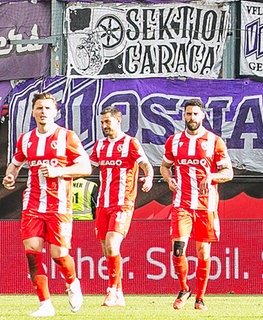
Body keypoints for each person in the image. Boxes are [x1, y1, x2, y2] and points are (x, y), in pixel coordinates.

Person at [2, 92, 91, 316]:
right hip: (32, 204)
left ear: (55, 112)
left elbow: (86, 168)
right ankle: (45, 304)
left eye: (47, 108)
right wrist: (10, 176)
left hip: (59, 205)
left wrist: (58, 171)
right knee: (32, 252)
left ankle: (72, 283)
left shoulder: (67, 137)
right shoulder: (26, 139)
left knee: (59, 254)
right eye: (39, 108)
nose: (43, 112)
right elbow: (15, 164)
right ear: (33, 112)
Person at [160, 98, 233, 311]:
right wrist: (169, 179)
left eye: (195, 114)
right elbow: (165, 166)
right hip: (182, 203)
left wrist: (211, 176)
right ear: (184, 115)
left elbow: (228, 173)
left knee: (203, 252)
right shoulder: (173, 141)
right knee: (178, 249)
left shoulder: (214, 141)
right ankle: (184, 289)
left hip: (206, 206)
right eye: (188, 114)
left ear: (203, 116)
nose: (191, 118)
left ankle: (200, 298)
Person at [90, 106, 154, 306]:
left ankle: (110, 291)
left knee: (112, 244)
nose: (104, 126)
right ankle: (118, 292)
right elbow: (88, 165)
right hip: (102, 203)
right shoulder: (100, 145)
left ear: (118, 121)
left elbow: (145, 165)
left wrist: (149, 177)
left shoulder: (130, 143)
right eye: (102, 122)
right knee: (106, 249)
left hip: (123, 203)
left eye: (108, 122)